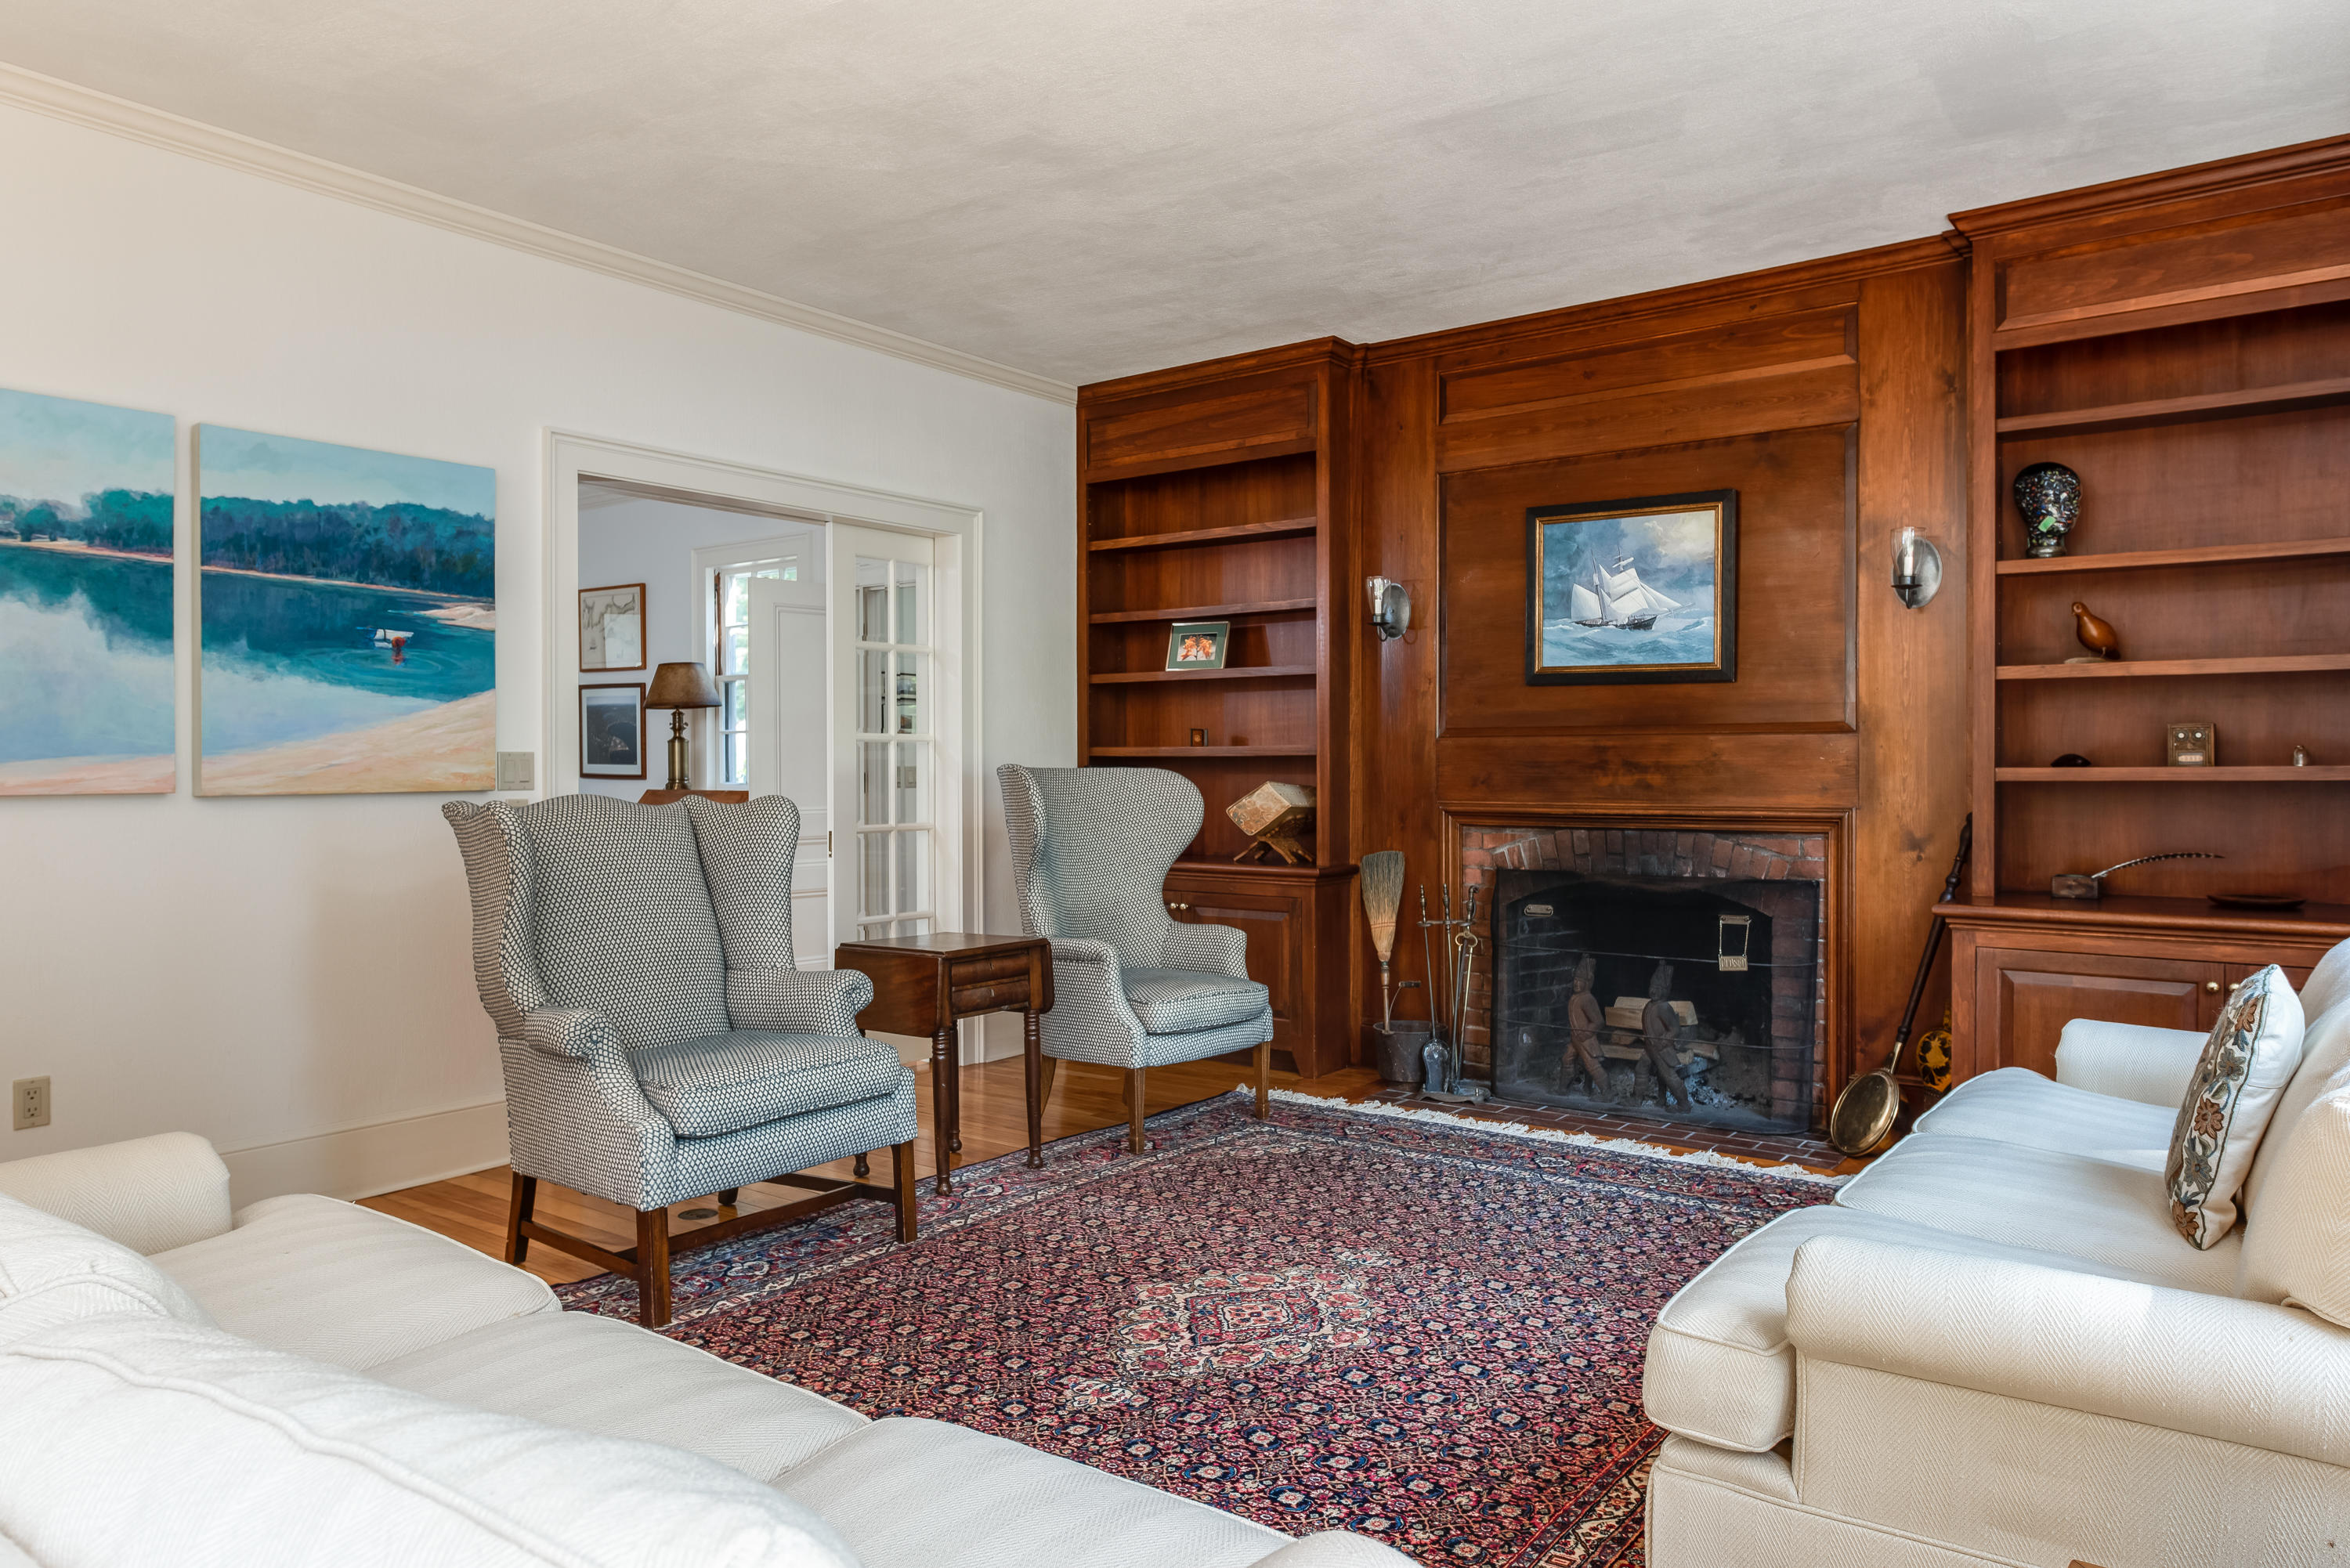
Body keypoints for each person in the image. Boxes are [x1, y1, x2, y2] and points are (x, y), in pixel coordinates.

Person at [1640, 960, 1692, 1111]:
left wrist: (1665, 1040)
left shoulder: (1663, 1007)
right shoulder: (1650, 1005)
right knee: (1642, 1068)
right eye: (1652, 987)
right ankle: (1639, 1098)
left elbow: (1675, 1029)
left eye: (1657, 988)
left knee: (1668, 1075)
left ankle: (1684, 1104)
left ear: (1665, 990)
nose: (1653, 991)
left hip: (1661, 1048)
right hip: (1650, 1048)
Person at [1564, 954, 1609, 1096]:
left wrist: (1587, 1033)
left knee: (1592, 1065)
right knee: (1567, 1059)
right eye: (1575, 980)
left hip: (1586, 1040)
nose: (1576, 983)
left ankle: (1607, 1093)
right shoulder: (1575, 998)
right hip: (1575, 1039)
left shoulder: (1588, 999)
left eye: (1580, 981)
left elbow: (1599, 1021)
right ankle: (1562, 1088)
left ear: (1588, 982)